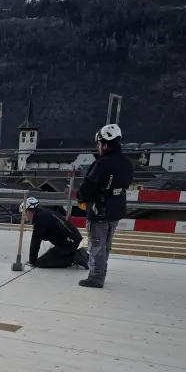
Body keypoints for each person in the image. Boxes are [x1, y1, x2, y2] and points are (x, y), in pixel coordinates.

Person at [76, 123, 134, 288]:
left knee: (96, 244)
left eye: (100, 143)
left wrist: (80, 197)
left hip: (100, 208)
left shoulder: (103, 163)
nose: (99, 147)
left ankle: (96, 277)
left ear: (106, 144)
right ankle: (101, 273)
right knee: (106, 244)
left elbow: (89, 185)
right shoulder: (126, 163)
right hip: (116, 208)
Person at [23, 198, 88, 269]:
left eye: (24, 212)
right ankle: (78, 252)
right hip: (74, 240)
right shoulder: (45, 213)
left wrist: (32, 262)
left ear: (29, 211)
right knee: (42, 259)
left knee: (41, 262)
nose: (23, 216)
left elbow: (35, 242)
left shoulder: (39, 220)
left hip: (70, 243)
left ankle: (72, 258)